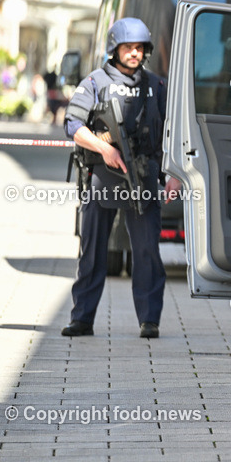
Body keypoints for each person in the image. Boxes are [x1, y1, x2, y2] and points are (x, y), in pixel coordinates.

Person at [61, 18, 181, 339]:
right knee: (93, 251)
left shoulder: (156, 86)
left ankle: (149, 320)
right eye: (128, 48)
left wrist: (174, 175)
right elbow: (73, 125)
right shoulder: (96, 81)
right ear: (115, 49)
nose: (134, 53)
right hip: (104, 175)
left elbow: (173, 133)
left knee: (146, 252)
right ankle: (82, 318)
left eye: (139, 48)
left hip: (143, 176)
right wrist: (103, 148)